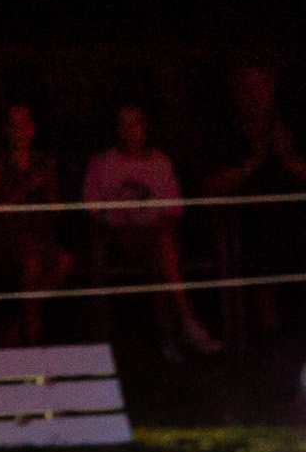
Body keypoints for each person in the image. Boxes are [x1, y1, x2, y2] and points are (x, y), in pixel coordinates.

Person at [204, 63, 306, 340]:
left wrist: (288, 157)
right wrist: (253, 163)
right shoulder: (227, 135)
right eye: (247, 89)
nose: (254, 95)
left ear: (272, 90)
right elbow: (212, 187)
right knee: (261, 249)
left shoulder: (293, 128)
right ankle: (271, 342)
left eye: (260, 87)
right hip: (250, 222)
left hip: (301, 218)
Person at [81, 105, 222, 354]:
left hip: (156, 239)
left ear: (145, 127)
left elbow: (172, 210)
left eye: (135, 123)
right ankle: (186, 325)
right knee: (163, 249)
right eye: (123, 124)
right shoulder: (102, 163)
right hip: (119, 240)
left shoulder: (160, 162)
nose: (129, 131)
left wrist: (157, 230)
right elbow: (93, 211)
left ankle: (170, 339)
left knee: (162, 254)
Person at [0, 104, 72, 348]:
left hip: (39, 234)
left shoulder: (44, 162)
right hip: (6, 235)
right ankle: (32, 339)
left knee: (63, 262)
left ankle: (17, 325)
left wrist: (50, 188)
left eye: (24, 123)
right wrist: (27, 187)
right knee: (30, 263)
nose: (19, 130)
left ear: (32, 128)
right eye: (13, 124)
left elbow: (56, 207)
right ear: (7, 130)